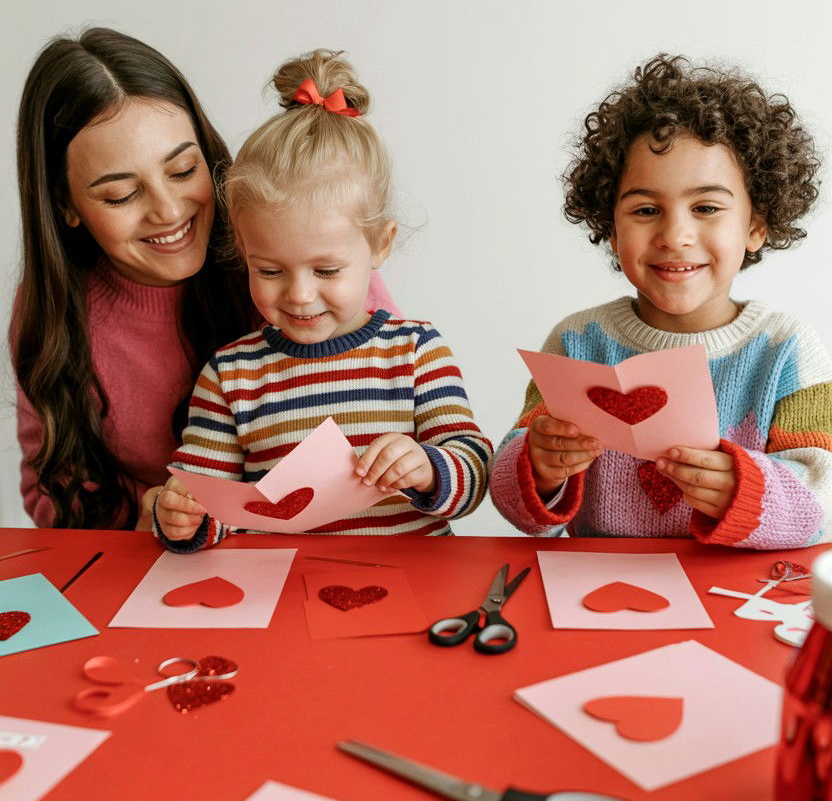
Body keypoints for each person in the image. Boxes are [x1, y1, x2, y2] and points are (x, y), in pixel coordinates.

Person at [11, 28, 398, 529]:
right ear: (65, 205)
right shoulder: (53, 309)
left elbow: (394, 405)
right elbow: (51, 490)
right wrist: (148, 512)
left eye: (183, 170)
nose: (169, 211)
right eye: (121, 195)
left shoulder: (292, 250)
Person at [490, 54, 832, 548]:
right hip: (591, 597)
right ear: (611, 227)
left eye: (706, 208)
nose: (675, 235)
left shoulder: (789, 350)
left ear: (756, 225)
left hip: (736, 601)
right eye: (647, 209)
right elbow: (520, 507)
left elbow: (822, 502)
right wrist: (538, 468)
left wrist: (745, 490)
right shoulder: (576, 342)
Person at [153, 48, 491, 545]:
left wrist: (428, 467)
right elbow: (206, 500)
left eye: (327, 269)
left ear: (381, 245)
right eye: (268, 270)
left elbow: (474, 470)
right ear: (243, 250)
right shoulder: (231, 375)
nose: (300, 294)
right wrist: (182, 516)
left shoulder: (417, 352)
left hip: (411, 589)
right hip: (279, 596)